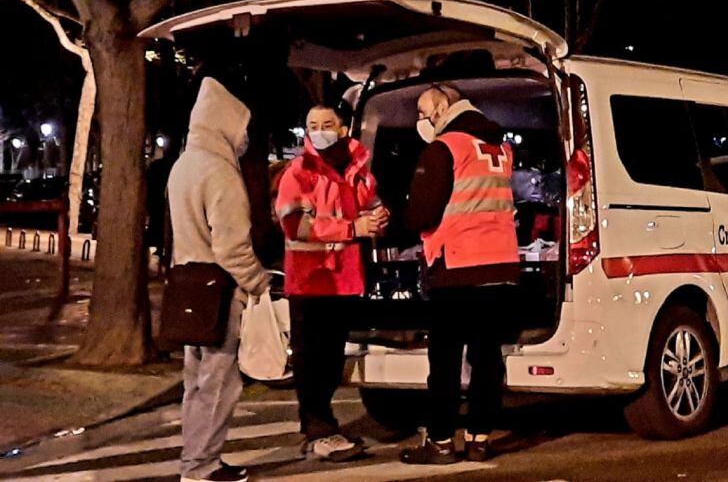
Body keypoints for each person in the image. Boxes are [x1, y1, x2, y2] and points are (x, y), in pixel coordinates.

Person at [399, 83, 520, 464]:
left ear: (443, 106)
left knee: (446, 360)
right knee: (487, 356)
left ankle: (439, 442)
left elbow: (423, 213)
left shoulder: (444, 147)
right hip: (500, 264)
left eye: (423, 111)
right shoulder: (500, 147)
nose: (421, 120)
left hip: (456, 266)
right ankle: (479, 438)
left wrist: (400, 222)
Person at [170, 77, 271, 482]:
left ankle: (194, 458)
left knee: (194, 383)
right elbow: (231, 248)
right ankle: (201, 466)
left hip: (187, 286)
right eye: (241, 128)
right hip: (219, 290)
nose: (244, 138)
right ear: (224, 123)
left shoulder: (183, 166)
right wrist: (258, 283)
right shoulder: (221, 173)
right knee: (218, 384)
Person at [274, 105, 388, 461]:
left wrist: (379, 218)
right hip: (310, 281)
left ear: (341, 130)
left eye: (326, 124)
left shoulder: (358, 171)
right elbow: (294, 226)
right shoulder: (299, 172)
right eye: (312, 125)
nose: (319, 130)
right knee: (311, 362)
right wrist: (355, 228)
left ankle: (322, 425)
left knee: (329, 362)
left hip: (343, 280)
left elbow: (372, 206)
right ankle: (318, 429)